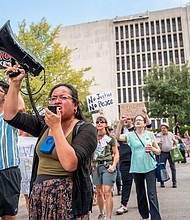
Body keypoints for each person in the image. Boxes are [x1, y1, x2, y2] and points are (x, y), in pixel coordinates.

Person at [3, 66, 97, 220]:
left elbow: (70, 164)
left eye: (63, 97)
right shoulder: (43, 125)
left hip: (68, 199)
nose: (57, 101)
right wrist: (14, 84)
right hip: (41, 196)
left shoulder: (86, 130)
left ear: (75, 105)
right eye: (53, 98)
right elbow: (10, 115)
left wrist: (56, 127)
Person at [115, 115, 162, 220]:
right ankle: (145, 216)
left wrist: (153, 149)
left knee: (152, 194)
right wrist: (120, 123)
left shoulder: (150, 135)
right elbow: (117, 137)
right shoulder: (130, 135)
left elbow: (158, 151)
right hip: (136, 168)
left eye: (140, 120)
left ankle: (156, 218)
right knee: (140, 193)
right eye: (136, 120)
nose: (138, 121)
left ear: (144, 124)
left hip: (150, 167)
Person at [0, 80, 25, 220]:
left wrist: (13, 84)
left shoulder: (10, 116)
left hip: (7, 170)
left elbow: (21, 107)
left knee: (8, 216)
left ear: (5, 95)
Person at [92, 116, 119, 220]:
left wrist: (114, 165)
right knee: (99, 191)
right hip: (96, 166)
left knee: (107, 191)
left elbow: (116, 153)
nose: (99, 123)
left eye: (102, 122)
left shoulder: (110, 138)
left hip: (107, 165)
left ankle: (109, 217)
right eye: (97, 122)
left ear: (106, 124)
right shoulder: (92, 137)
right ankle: (101, 213)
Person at [156, 122, 177, 188]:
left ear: (167, 128)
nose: (163, 130)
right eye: (162, 128)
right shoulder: (159, 135)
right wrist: (159, 143)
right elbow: (156, 144)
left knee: (173, 167)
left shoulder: (171, 134)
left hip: (171, 152)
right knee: (162, 168)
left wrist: (174, 142)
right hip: (163, 152)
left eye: (164, 128)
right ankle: (162, 182)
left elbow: (175, 142)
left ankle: (174, 182)